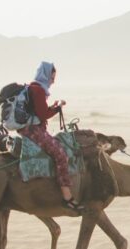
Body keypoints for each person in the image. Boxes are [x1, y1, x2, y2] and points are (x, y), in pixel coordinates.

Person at [16, 61, 83, 211]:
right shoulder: (38, 90)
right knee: (60, 154)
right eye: (52, 77)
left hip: (31, 128)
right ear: (45, 76)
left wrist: (54, 106)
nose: (53, 81)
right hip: (33, 130)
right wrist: (57, 107)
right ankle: (67, 197)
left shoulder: (34, 88)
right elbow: (43, 114)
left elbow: (40, 112)